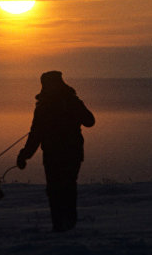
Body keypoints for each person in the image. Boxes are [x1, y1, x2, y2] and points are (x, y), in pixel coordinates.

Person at [16, 71, 95, 232]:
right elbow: (89, 121)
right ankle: (64, 224)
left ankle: (62, 225)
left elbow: (89, 121)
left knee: (57, 189)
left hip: (57, 154)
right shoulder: (64, 102)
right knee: (66, 188)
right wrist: (25, 154)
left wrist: (25, 155)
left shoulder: (49, 105)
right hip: (68, 153)